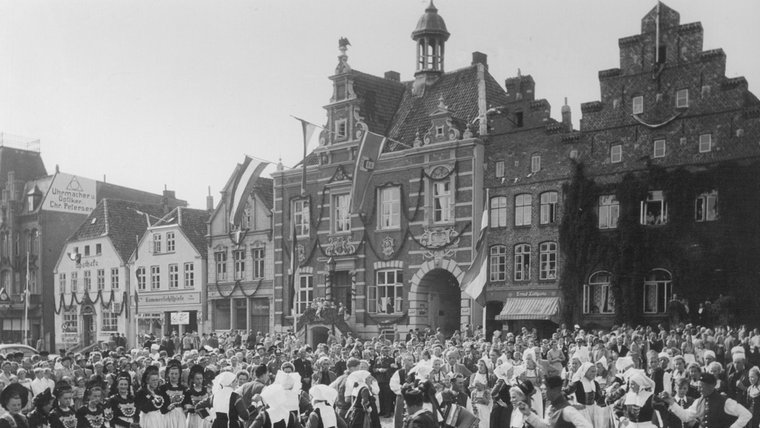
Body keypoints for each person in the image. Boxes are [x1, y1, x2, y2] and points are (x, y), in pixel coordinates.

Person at [664, 372, 751, 428]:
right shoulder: (698, 401)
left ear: (711, 386)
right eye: (698, 387)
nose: (698, 390)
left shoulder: (725, 401)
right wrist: (671, 402)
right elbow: (686, 416)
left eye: (701, 387)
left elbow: (746, 414)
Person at [520, 375, 592, 428]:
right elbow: (545, 426)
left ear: (554, 390)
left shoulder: (568, 410)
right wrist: (528, 413)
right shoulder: (550, 408)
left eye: (545, 389)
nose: (543, 392)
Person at [159, 360, 187, 428]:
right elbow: (161, 404)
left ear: (179, 374)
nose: (174, 376)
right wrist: (167, 408)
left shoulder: (184, 388)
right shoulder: (163, 388)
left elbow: (186, 402)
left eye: (176, 374)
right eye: (172, 374)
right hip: (168, 415)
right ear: (168, 374)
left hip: (180, 415)